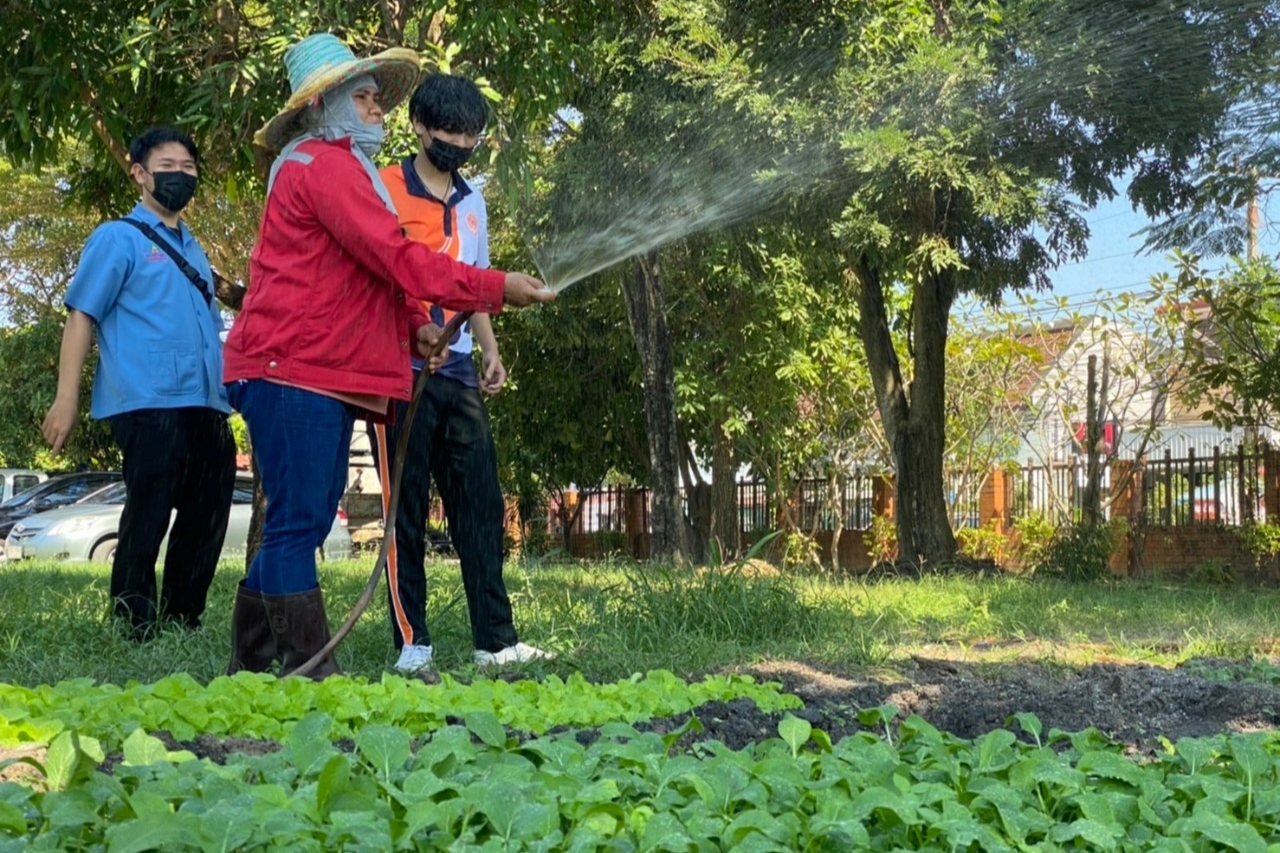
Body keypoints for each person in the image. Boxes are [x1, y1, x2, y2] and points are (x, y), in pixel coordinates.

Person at [222, 33, 553, 680]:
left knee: (302, 515)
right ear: (323, 103)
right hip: (292, 368)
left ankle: (252, 664)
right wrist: (496, 287)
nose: (378, 111)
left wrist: (413, 329)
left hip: (307, 368)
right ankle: (309, 669)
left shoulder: (336, 167)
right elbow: (397, 259)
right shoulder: (323, 166)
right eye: (368, 99)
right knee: (300, 521)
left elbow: (368, 277)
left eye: (376, 99)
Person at [369, 74, 552, 673]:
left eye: (471, 135)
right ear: (420, 127)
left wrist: (489, 349)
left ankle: (495, 640)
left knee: (479, 505)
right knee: (406, 509)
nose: (459, 143)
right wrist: (415, 326)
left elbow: (475, 284)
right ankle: (412, 641)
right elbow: (384, 275)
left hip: (461, 375)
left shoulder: (473, 203)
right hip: (403, 375)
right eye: (449, 132)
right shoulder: (385, 187)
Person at [43, 126, 237, 641]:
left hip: (206, 400)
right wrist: (67, 400)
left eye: (189, 168)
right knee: (149, 510)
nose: (179, 176)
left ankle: (182, 620)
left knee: (209, 510)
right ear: (140, 173)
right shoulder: (117, 238)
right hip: (147, 400)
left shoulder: (194, 248)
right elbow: (82, 315)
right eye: (167, 167)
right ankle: (133, 623)